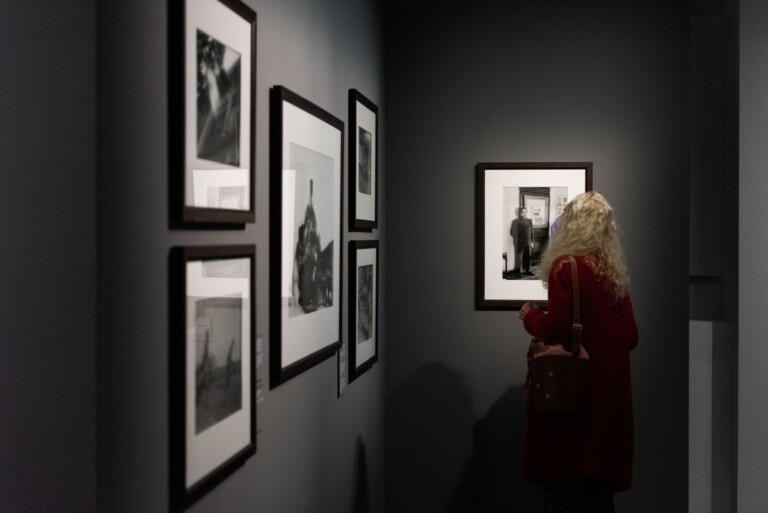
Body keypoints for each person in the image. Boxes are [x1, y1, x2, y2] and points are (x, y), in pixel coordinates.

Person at [518, 192, 639, 512]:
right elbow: (632, 337)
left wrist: (530, 316)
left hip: (573, 407)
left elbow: (554, 330)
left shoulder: (566, 267)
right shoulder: (613, 273)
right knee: (598, 501)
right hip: (608, 412)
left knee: (564, 498)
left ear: (572, 225)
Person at [510, 206, 534, 276]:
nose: (524, 213)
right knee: (518, 258)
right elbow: (512, 232)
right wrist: (518, 239)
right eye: (522, 212)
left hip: (528, 242)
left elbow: (532, 232)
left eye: (525, 212)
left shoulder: (530, 221)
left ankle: (527, 270)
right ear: (519, 213)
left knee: (528, 257)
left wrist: (532, 241)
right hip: (519, 243)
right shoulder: (515, 221)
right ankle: (518, 271)